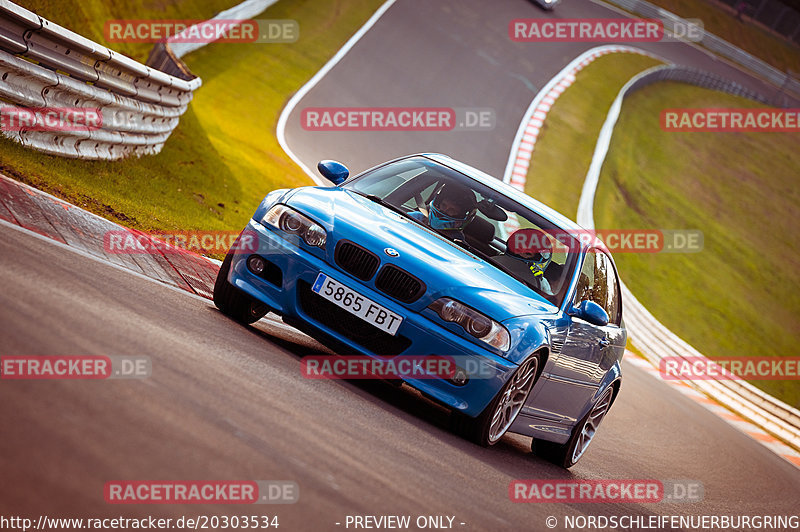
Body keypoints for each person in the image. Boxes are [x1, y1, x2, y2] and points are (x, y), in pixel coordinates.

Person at [408, 182, 478, 242]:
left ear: (460, 215)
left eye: (452, 210)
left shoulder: (456, 239)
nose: (444, 210)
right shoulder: (416, 217)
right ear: (438, 203)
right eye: (443, 205)